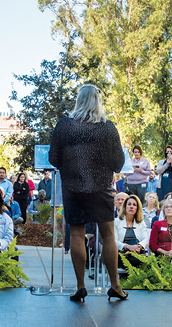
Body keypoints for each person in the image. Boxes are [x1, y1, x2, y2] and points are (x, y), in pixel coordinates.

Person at [49, 84, 127, 302]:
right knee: (108, 235)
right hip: (101, 187)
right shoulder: (107, 128)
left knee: (76, 234)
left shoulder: (64, 126)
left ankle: (80, 286)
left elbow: (53, 159)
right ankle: (115, 286)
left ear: (78, 100)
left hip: (73, 188)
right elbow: (118, 163)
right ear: (98, 101)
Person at [114, 195, 149, 268]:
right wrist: (128, 247)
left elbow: (145, 239)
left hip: (138, 252)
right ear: (125, 207)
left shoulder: (141, 222)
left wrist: (138, 247)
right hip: (121, 254)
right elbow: (114, 241)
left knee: (144, 261)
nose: (131, 207)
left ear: (137, 208)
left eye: (134, 205)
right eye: (129, 204)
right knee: (136, 261)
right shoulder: (116, 222)